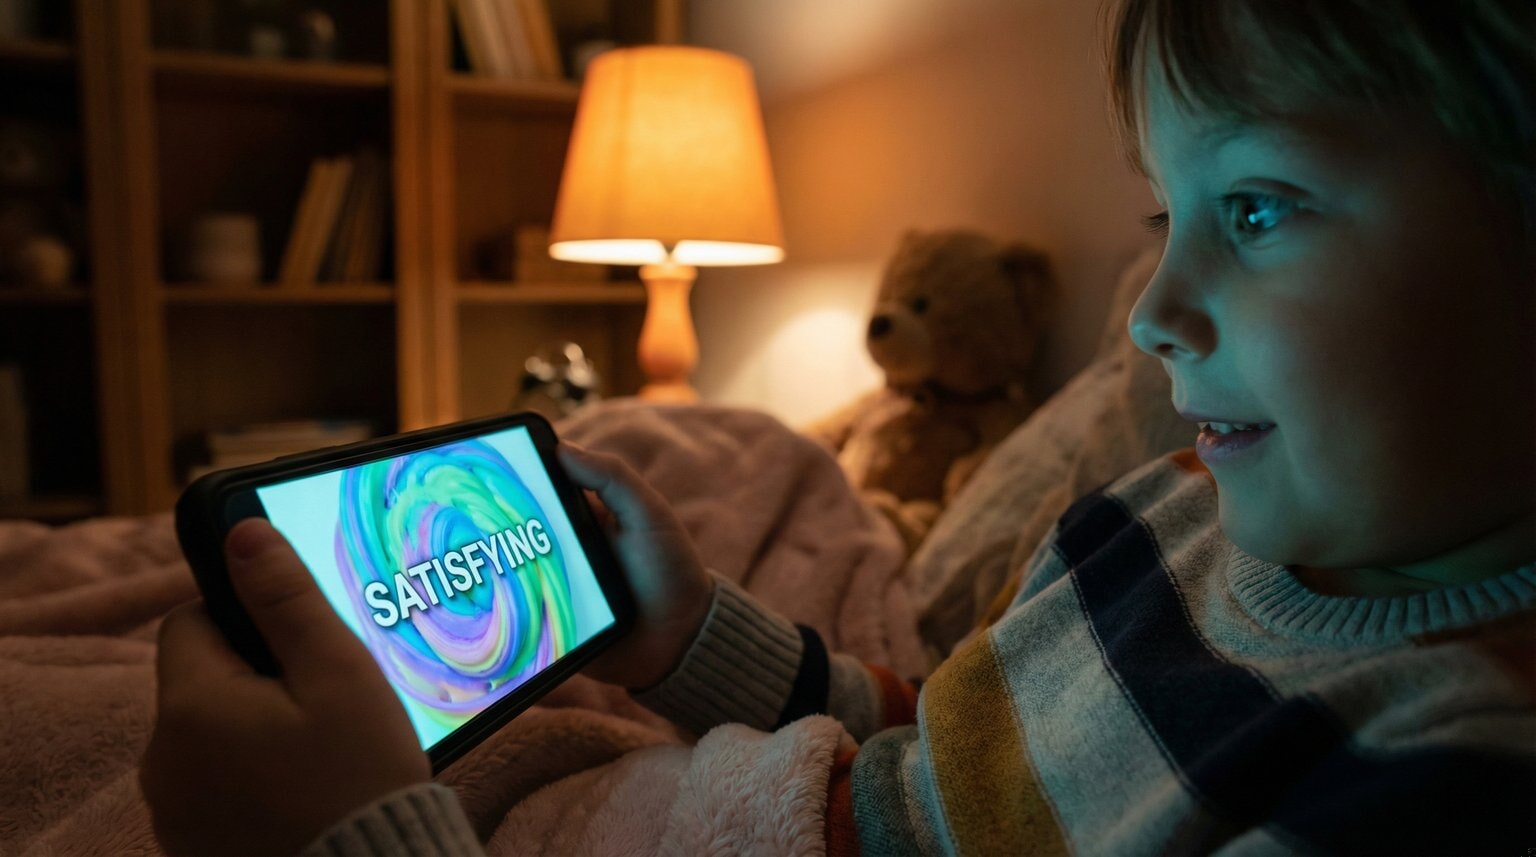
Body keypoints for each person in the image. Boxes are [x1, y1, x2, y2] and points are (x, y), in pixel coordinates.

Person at [141, 0, 1536, 853]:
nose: (1153, 310)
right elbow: (961, 749)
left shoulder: (1441, 770)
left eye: (1261, 205)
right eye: (1163, 216)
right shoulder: (1167, 508)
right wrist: (693, 641)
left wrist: (349, 839)